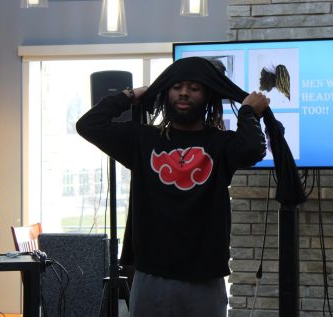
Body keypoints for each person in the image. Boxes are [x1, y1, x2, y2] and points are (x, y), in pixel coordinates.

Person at [76, 56, 270, 317]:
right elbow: (88, 125)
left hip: (205, 279)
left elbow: (252, 148)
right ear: (165, 93)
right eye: (176, 86)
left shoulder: (221, 144)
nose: (184, 93)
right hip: (152, 277)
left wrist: (247, 112)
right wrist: (130, 95)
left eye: (194, 87)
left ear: (208, 96)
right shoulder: (143, 140)